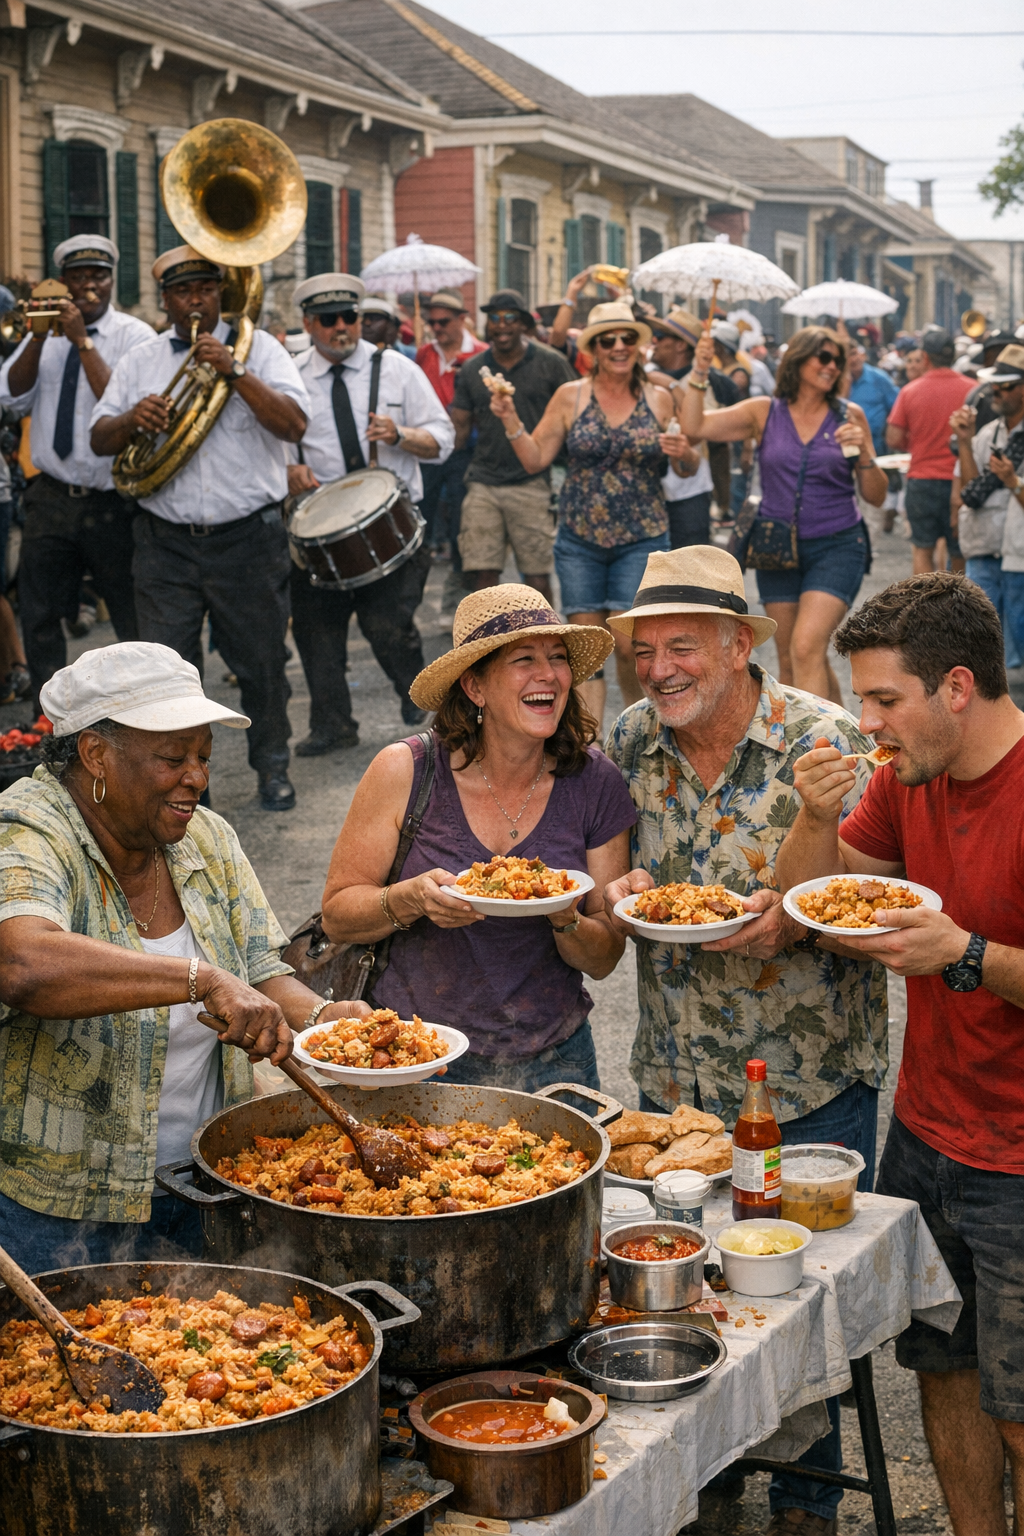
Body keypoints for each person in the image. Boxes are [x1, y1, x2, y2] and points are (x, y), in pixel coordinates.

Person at [602, 546, 887, 1536]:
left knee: (805, 1302)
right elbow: (618, 886)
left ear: (737, 645)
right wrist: (624, 892)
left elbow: (862, 893)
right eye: (644, 652)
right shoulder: (631, 740)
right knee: (692, 1296)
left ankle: (808, 1501)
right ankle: (709, 1483)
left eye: (681, 647)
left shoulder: (825, 739)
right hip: (676, 1086)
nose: (658, 670)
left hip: (806, 1080)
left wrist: (795, 917)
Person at [776, 573, 1024, 1536]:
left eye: (884, 699)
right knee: (943, 1378)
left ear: (957, 687)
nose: (866, 723)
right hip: (924, 1134)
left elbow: (958, 949)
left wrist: (965, 954)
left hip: (1018, 1162)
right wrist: (812, 818)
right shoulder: (903, 777)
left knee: (1021, 1417)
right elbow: (816, 908)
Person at [0, 642, 370, 1273]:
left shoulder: (207, 836)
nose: (196, 778)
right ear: (95, 754)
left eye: (203, 756)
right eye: (173, 758)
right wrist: (199, 978)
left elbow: (260, 974)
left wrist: (326, 1021)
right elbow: (23, 963)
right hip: (61, 1208)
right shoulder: (27, 827)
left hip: (206, 1180)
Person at [319, 584, 637, 1092]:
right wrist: (410, 899)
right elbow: (338, 914)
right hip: (417, 1055)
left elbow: (604, 959)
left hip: (555, 1057)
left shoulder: (595, 781)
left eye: (557, 657)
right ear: (474, 686)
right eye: (524, 658)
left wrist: (566, 917)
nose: (548, 674)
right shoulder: (406, 770)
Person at [90, 245, 310, 813]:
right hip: (165, 542)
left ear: (221, 293)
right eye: (183, 291)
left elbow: (293, 424)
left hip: (248, 540)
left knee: (262, 665)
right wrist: (132, 419)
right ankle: (188, 789)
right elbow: (99, 438)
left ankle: (273, 767)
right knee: (167, 678)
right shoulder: (141, 357)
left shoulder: (260, 348)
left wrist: (235, 370)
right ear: (165, 301)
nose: (196, 301)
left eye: (206, 289)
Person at [486, 301, 692, 730]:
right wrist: (510, 419)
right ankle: (588, 745)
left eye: (627, 338)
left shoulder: (659, 398)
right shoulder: (571, 395)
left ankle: (642, 732)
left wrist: (684, 453)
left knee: (630, 646)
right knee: (587, 652)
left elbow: (688, 467)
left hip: (642, 537)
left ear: (638, 345)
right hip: (580, 539)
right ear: (594, 349)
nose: (618, 346)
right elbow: (535, 458)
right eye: (606, 340)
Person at [285, 274, 454, 755]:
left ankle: (422, 705)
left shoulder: (397, 369)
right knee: (316, 632)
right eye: (328, 319)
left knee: (388, 624)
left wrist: (400, 434)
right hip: (318, 530)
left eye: (349, 317)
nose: (341, 327)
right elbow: (267, 447)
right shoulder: (289, 376)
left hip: (390, 524)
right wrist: (287, 471)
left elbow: (443, 439)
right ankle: (332, 724)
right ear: (308, 323)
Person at [680, 325, 887, 704]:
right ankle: (841, 732)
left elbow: (876, 496)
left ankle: (813, 740)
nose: (832, 366)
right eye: (823, 357)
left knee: (806, 647)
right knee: (792, 658)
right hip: (776, 548)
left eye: (837, 360)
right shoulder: (764, 412)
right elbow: (695, 428)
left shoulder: (848, 416)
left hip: (837, 545)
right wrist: (700, 370)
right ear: (798, 360)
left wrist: (864, 454)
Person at [0, 236, 153, 710]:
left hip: (113, 499)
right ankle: (49, 722)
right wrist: (38, 336)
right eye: (77, 278)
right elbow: (10, 396)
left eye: (98, 277)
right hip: (51, 494)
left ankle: (142, 712)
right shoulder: (44, 333)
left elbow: (125, 409)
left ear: (111, 281)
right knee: (41, 614)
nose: (89, 286)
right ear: (63, 283)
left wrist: (83, 341)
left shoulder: (134, 336)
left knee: (130, 614)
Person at [451, 289, 575, 603]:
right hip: (484, 480)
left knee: (536, 576)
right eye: (494, 318)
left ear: (523, 324)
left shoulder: (551, 362)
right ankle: (489, 633)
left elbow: (574, 414)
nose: (501, 325)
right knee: (483, 575)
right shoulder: (472, 369)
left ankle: (544, 629)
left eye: (510, 318)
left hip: (531, 481)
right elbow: (458, 428)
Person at [951, 345, 1024, 669]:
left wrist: (1013, 482)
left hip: (1019, 555)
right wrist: (965, 441)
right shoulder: (988, 433)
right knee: (979, 641)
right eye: (994, 384)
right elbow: (971, 491)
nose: (996, 392)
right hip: (984, 548)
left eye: (1005, 385)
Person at [416, 288, 486, 610]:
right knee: (421, 521)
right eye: (432, 322)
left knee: (462, 525)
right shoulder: (424, 354)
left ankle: (458, 594)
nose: (437, 328)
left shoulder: (480, 354)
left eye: (443, 321)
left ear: (461, 319)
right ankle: (412, 595)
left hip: (466, 451)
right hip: (430, 450)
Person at [886, 327, 971, 576]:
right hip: (961, 480)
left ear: (925, 357)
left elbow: (893, 438)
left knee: (922, 550)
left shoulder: (910, 390)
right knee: (959, 552)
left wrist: (917, 443)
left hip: (922, 479)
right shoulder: (972, 389)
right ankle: (959, 601)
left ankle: (924, 600)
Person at [646, 309, 735, 549]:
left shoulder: (706, 383)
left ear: (680, 346)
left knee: (687, 565)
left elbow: (696, 433)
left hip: (687, 493)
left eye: (660, 336)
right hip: (646, 494)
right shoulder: (643, 377)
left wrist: (673, 388)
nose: (654, 341)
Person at [847, 343, 899, 458]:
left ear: (861, 355)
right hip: (848, 447)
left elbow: (897, 408)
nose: (853, 359)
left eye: (854, 353)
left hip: (878, 447)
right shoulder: (841, 382)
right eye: (848, 356)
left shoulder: (879, 378)